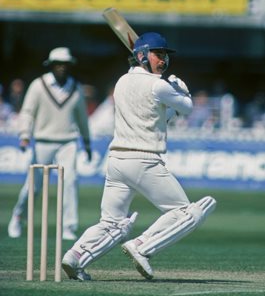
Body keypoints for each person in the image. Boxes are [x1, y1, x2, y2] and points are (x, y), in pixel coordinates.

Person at [61, 32, 216, 281]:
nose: (163, 60)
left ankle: (76, 257)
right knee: (187, 212)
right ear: (142, 55)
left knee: (112, 223)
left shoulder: (121, 82)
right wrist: (181, 89)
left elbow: (155, 117)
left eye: (165, 55)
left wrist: (172, 100)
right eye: (158, 54)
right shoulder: (159, 85)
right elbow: (187, 107)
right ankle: (143, 246)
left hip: (116, 162)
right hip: (144, 160)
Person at [8, 47, 92, 241]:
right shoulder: (38, 85)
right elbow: (28, 111)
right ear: (51, 65)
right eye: (58, 64)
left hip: (68, 142)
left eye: (65, 64)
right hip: (43, 141)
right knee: (34, 185)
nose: (62, 68)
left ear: (70, 66)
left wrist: (86, 143)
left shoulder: (76, 88)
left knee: (70, 182)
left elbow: (82, 120)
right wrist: (24, 134)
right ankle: (18, 216)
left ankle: (68, 227)